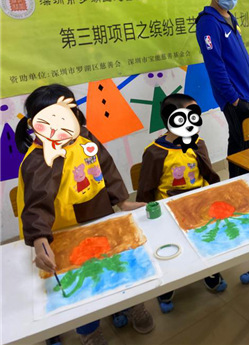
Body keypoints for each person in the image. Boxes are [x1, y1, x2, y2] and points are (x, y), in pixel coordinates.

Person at [15, 84, 154, 345]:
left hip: (99, 215)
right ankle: (88, 330)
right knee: (81, 282)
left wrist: (122, 201)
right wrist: (40, 240)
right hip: (63, 229)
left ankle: (129, 305)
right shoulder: (39, 159)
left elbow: (107, 168)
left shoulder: (85, 136)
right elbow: (36, 205)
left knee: (116, 264)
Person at [136, 93, 226, 312]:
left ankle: (209, 270)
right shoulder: (155, 153)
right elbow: (146, 188)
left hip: (200, 205)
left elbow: (209, 173)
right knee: (170, 248)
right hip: (170, 211)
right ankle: (168, 284)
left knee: (203, 240)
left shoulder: (198, 144)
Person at [196, 0, 249, 178]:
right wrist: (234, 99)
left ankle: (246, 184)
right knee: (242, 147)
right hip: (234, 98)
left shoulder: (229, 18)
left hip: (247, 94)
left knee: (247, 143)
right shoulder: (208, 23)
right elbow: (215, 67)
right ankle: (239, 186)